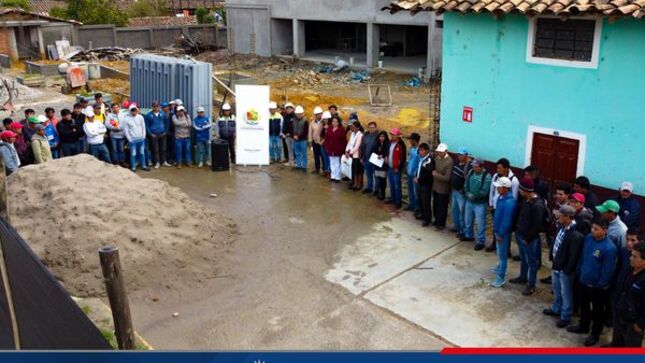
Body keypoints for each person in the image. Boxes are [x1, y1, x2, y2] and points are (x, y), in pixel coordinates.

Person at [567, 218, 617, 347]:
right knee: (584, 305)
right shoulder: (589, 238)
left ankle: (595, 333)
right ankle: (583, 325)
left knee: (597, 311)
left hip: (596, 287)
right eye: (592, 228)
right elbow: (583, 256)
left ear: (605, 230)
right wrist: (579, 271)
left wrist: (600, 286)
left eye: (596, 229)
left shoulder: (609, 248)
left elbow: (608, 271)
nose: (592, 231)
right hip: (583, 280)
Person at [542, 205, 585, 328]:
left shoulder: (575, 233)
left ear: (567, 217)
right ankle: (556, 308)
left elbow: (573, 256)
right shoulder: (562, 226)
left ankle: (565, 316)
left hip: (565, 269)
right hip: (557, 265)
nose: (557, 216)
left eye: (560, 215)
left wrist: (566, 270)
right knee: (556, 289)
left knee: (566, 293)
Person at [509, 177, 546, 296]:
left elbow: (536, 226)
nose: (519, 191)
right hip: (520, 234)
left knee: (532, 262)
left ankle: (531, 285)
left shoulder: (538, 205)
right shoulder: (526, 200)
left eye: (521, 189)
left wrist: (528, 238)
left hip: (529, 239)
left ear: (526, 190)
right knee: (523, 258)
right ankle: (522, 277)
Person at [607, 240, 645, 347]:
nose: (630, 258)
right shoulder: (629, 270)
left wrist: (640, 324)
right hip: (620, 315)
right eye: (631, 255)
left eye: (635, 256)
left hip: (633, 323)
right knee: (617, 342)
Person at [542, 182, 574, 285]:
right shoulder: (556, 204)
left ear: (567, 195)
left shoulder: (569, 208)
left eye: (561, 194)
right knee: (554, 255)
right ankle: (553, 276)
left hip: (561, 236)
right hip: (552, 233)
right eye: (557, 194)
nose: (558, 196)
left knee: (560, 258)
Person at [487, 158, 520, 252]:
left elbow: (514, 196)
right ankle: (494, 243)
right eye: (497, 168)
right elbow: (492, 190)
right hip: (496, 206)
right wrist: (491, 203)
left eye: (500, 168)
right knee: (495, 226)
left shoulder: (514, 180)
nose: (498, 170)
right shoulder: (495, 176)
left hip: (505, 209)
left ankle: (506, 248)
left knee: (506, 228)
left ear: (506, 168)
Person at [491, 176, 517, 288]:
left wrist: (501, 234)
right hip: (498, 230)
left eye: (499, 187)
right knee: (499, 252)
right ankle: (499, 268)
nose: (497, 189)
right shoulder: (501, 198)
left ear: (505, 188)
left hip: (503, 233)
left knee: (502, 255)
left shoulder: (509, 202)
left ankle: (501, 277)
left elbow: (507, 220)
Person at [462, 157, 491, 248]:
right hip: (469, 201)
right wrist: (467, 193)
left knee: (480, 223)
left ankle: (481, 241)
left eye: (476, 166)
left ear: (481, 166)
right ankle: (469, 235)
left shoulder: (487, 176)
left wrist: (473, 196)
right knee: (468, 220)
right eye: (473, 166)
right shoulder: (471, 172)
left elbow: (484, 191)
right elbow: (466, 184)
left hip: (480, 204)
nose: (474, 168)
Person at [432, 143, 454, 230]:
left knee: (442, 206)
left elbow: (447, 178)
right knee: (435, 204)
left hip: (443, 189)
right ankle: (436, 219)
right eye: (438, 152)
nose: (439, 154)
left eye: (441, 152)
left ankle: (441, 223)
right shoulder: (437, 158)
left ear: (445, 151)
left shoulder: (449, 161)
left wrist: (436, 175)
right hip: (436, 186)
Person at [451, 147, 472, 239]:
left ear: (466, 155)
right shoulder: (457, 163)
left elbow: (468, 181)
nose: (459, 156)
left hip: (461, 193)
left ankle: (463, 231)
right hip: (454, 191)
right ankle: (458, 227)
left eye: (461, 155)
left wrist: (464, 190)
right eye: (458, 154)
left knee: (462, 213)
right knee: (454, 211)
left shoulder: (469, 166)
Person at [123, 104, 148, 172]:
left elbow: (143, 127)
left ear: (137, 110)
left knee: (142, 153)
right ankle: (133, 167)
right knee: (133, 154)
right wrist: (129, 139)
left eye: (135, 110)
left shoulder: (140, 117)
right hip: (133, 140)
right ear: (130, 111)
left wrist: (143, 136)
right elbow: (126, 130)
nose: (134, 112)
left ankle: (144, 166)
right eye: (132, 110)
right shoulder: (126, 119)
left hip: (141, 139)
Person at [145, 101, 170, 169]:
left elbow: (167, 123)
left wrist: (165, 132)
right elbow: (147, 126)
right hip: (154, 135)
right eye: (154, 106)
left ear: (159, 107)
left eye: (157, 106)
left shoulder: (163, 114)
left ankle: (164, 161)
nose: (156, 107)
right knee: (156, 150)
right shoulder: (148, 115)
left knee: (164, 148)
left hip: (162, 134)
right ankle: (157, 162)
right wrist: (150, 134)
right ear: (152, 107)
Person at [386, 128, 406, 209]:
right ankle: (393, 198)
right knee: (391, 184)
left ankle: (398, 202)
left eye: (393, 135)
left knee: (397, 185)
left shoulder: (401, 144)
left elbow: (403, 158)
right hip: (390, 167)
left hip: (396, 169)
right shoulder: (390, 142)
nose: (392, 136)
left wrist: (399, 167)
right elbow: (388, 152)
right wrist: (386, 157)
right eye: (391, 134)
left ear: (398, 136)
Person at [415, 143, 434, 227]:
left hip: (425, 185)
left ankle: (427, 219)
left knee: (426, 202)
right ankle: (422, 215)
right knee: (420, 200)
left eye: (422, 150)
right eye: (420, 150)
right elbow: (419, 169)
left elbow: (428, 174)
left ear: (426, 150)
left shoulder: (429, 160)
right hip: (419, 183)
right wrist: (416, 176)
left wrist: (419, 179)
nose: (420, 152)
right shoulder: (422, 159)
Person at [324, 116, 346, 183]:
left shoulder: (341, 129)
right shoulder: (329, 129)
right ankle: (333, 176)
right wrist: (327, 147)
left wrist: (342, 149)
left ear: (338, 122)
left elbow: (343, 141)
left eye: (336, 121)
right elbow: (326, 139)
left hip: (337, 149)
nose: (334, 122)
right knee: (331, 163)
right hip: (330, 149)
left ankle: (337, 177)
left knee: (337, 163)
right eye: (333, 121)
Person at [361, 122, 379, 194]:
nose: (371, 129)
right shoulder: (366, 135)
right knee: (368, 174)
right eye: (370, 127)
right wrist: (362, 157)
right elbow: (362, 147)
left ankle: (377, 189)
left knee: (376, 175)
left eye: (373, 127)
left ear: (375, 128)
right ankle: (369, 187)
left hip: (375, 159)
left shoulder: (378, 136)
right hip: (366, 158)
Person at [346, 121, 364, 190]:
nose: (351, 128)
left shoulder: (360, 135)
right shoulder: (353, 134)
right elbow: (349, 143)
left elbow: (357, 146)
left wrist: (349, 153)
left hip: (357, 155)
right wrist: (346, 150)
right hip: (352, 154)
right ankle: (355, 183)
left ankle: (359, 184)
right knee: (354, 170)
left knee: (358, 171)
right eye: (351, 126)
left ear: (357, 127)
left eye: (352, 126)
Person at [371, 131, 389, 200]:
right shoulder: (377, 144)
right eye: (380, 136)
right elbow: (373, 151)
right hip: (377, 163)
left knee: (383, 180)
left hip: (383, 164)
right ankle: (379, 192)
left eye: (383, 136)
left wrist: (383, 156)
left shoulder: (387, 144)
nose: (381, 138)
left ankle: (383, 193)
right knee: (378, 178)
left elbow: (387, 153)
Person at [405, 133, 421, 213]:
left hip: (415, 175)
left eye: (411, 139)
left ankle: (417, 207)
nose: (409, 141)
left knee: (416, 193)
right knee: (410, 190)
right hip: (409, 173)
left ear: (414, 140)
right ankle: (411, 204)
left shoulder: (419, 150)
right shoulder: (412, 148)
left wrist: (416, 174)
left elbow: (419, 164)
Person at [308, 106, 324, 174]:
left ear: (321, 114)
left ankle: (325, 169)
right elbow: (310, 132)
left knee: (323, 156)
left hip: (323, 143)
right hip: (315, 142)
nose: (318, 115)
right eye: (316, 114)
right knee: (316, 156)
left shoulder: (324, 122)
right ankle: (317, 169)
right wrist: (310, 141)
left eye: (319, 114)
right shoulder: (312, 123)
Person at [292, 106, 309, 171]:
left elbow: (305, 132)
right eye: (298, 114)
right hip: (295, 140)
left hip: (303, 140)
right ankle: (299, 165)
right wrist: (293, 135)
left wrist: (298, 136)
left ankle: (304, 166)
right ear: (296, 114)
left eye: (300, 114)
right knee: (297, 153)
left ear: (303, 113)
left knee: (304, 153)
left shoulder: (305, 121)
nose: (299, 115)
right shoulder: (293, 120)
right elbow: (291, 129)